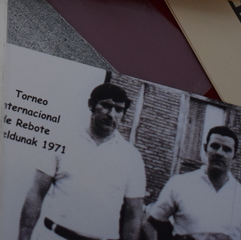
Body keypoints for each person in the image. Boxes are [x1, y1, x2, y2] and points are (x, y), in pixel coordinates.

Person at [18, 83, 146, 240]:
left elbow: (133, 214)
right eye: (106, 106)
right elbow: (37, 193)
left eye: (119, 110)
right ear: (91, 105)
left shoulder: (132, 157)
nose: (111, 114)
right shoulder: (62, 139)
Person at [142, 126, 241, 240]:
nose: (219, 153)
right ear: (205, 148)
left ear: (234, 156)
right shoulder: (180, 184)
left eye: (227, 149)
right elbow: (150, 224)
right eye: (215, 146)